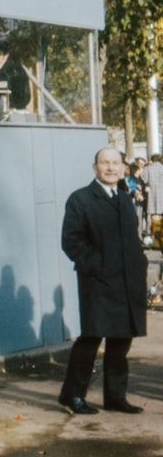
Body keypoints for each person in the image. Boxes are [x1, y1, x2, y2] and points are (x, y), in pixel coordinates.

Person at [58, 147, 148, 415]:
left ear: (123, 168)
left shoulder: (123, 199)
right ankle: (72, 396)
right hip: (98, 283)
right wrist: (95, 266)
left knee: (121, 341)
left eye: (115, 163)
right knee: (91, 339)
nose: (110, 168)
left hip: (127, 282)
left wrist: (139, 264)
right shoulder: (81, 199)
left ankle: (115, 397)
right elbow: (71, 241)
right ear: (94, 167)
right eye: (104, 163)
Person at [0, 40, 30, 110]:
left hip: (12, 112)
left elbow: (23, 96)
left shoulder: (13, 71)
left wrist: (12, 107)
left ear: (6, 55)